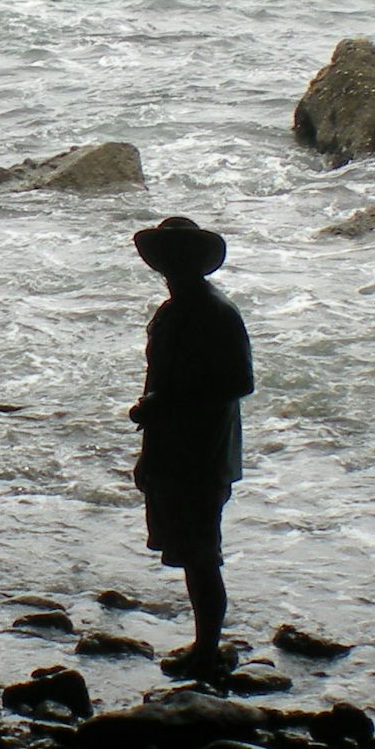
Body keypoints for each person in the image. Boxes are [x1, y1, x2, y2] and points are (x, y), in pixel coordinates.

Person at [127, 216, 255, 677]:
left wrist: (162, 405)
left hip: (201, 451)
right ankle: (206, 645)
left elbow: (240, 381)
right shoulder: (184, 307)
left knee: (202, 556)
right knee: (197, 553)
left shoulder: (211, 311)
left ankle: (207, 651)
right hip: (182, 446)